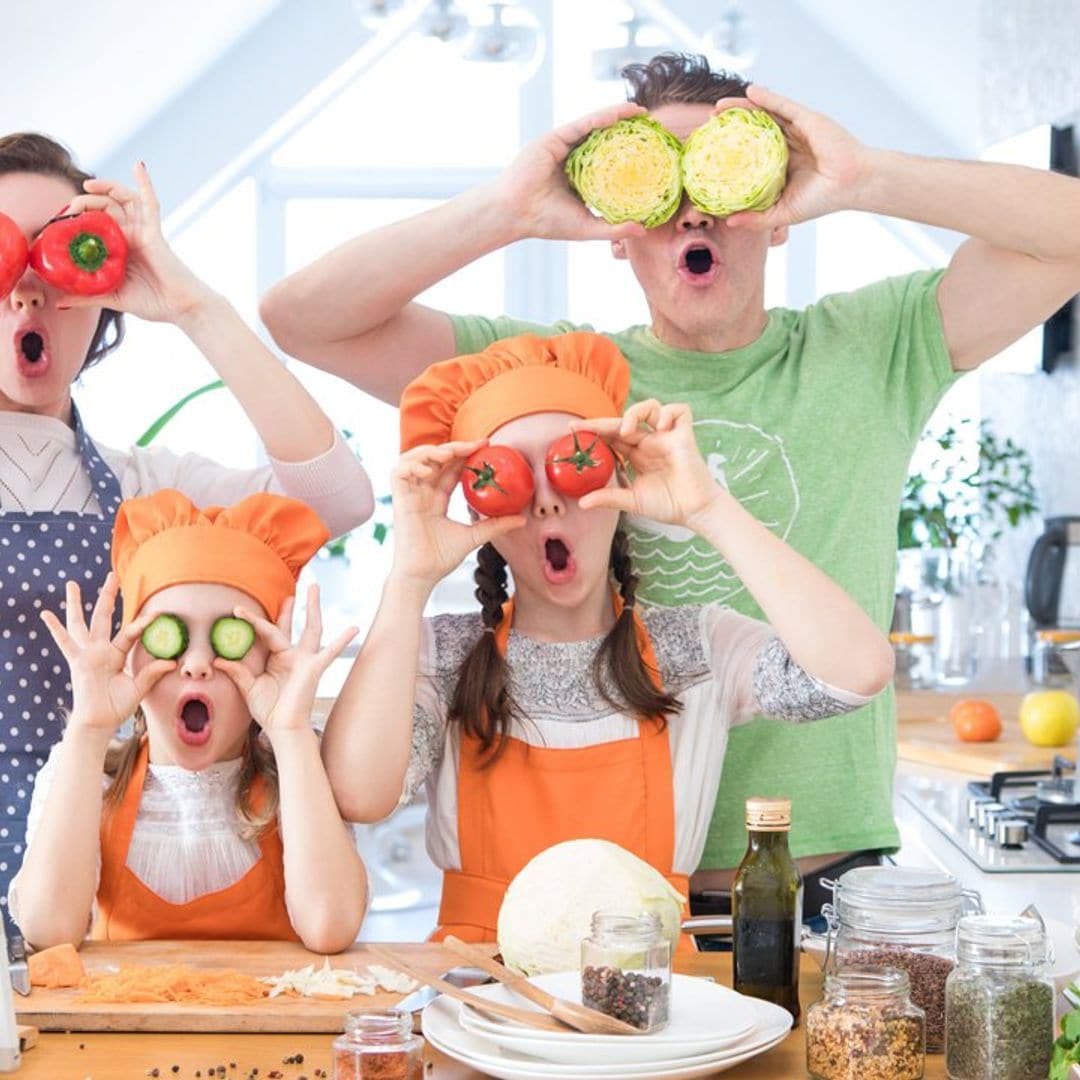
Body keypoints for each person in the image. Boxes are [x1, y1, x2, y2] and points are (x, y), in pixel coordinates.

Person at [261, 53, 1080, 913]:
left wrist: (862, 175)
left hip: (822, 866)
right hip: (595, 890)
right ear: (615, 226)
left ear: (780, 211)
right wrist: (505, 211)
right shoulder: (553, 386)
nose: (695, 208)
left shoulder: (876, 344)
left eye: (722, 182)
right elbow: (302, 318)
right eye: (659, 185)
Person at [321, 332, 894, 943]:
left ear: (618, 481)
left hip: (654, 1002)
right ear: (480, 507)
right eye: (511, 475)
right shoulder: (447, 655)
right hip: (482, 1001)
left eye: (572, 466)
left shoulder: (698, 649)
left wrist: (705, 507)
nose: (546, 503)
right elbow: (359, 793)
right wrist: (409, 576)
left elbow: (855, 673)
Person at [0, 132, 374, 921]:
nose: (28, 288)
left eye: (59, 253)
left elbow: (336, 496)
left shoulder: (147, 491)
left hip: (86, 886)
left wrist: (192, 306)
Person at [9, 489, 366, 951]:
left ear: (271, 659)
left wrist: (291, 732)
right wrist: (88, 731)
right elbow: (48, 931)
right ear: (131, 654)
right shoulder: (87, 773)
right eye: (169, 634)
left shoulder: (303, 769)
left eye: (229, 636)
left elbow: (330, 927)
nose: (197, 662)